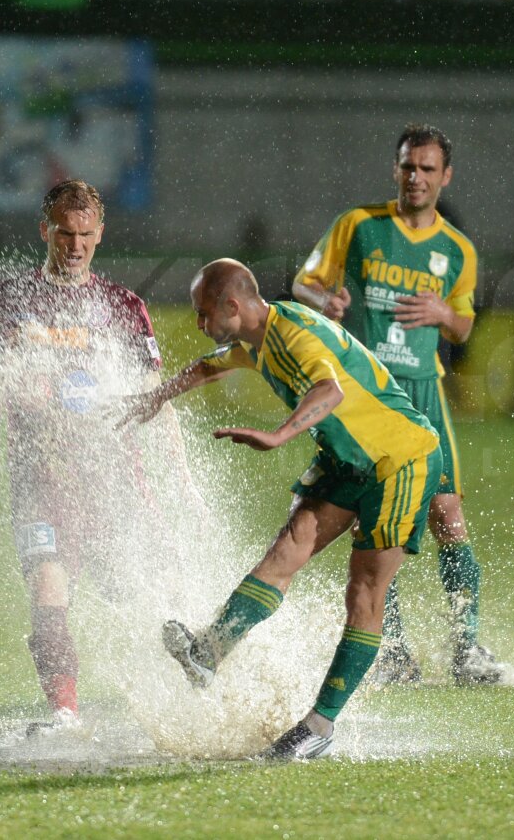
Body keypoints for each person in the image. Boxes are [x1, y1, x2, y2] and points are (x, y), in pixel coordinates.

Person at [119, 259, 442, 760]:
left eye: (204, 314)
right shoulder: (256, 338)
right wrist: (157, 397)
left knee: (364, 593)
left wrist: (278, 435)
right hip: (345, 461)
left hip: (400, 460)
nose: (200, 324)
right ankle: (207, 653)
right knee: (285, 550)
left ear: (232, 305)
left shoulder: (293, 333)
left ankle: (319, 727)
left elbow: (328, 390)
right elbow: (211, 363)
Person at [0, 179, 195, 733]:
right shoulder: (11, 300)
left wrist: (183, 481)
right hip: (39, 475)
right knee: (47, 586)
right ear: (45, 230)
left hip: (111, 477)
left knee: (139, 595)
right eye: (64, 233)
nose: (75, 245)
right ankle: (66, 714)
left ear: (100, 234)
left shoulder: (123, 307)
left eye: (86, 235)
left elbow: (156, 400)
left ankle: (194, 689)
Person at [291, 123, 501, 686]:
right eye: (408, 166)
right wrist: (325, 299)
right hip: (369, 396)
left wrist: (443, 316)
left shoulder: (458, 250)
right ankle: (394, 650)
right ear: (396, 169)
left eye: (428, 169)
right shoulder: (359, 226)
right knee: (380, 518)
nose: (416, 177)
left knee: (447, 513)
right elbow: (303, 284)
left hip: (424, 391)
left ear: (445, 177)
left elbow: (463, 326)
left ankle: (466, 647)